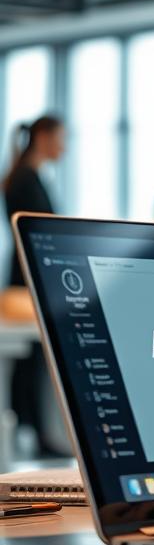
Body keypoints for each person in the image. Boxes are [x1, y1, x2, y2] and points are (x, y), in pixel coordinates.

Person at [3, 115, 67, 456]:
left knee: (32, 360)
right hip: (26, 277)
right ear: (43, 136)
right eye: (61, 137)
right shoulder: (25, 178)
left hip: (28, 274)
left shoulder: (26, 176)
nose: (64, 146)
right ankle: (32, 432)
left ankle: (35, 431)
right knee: (29, 358)